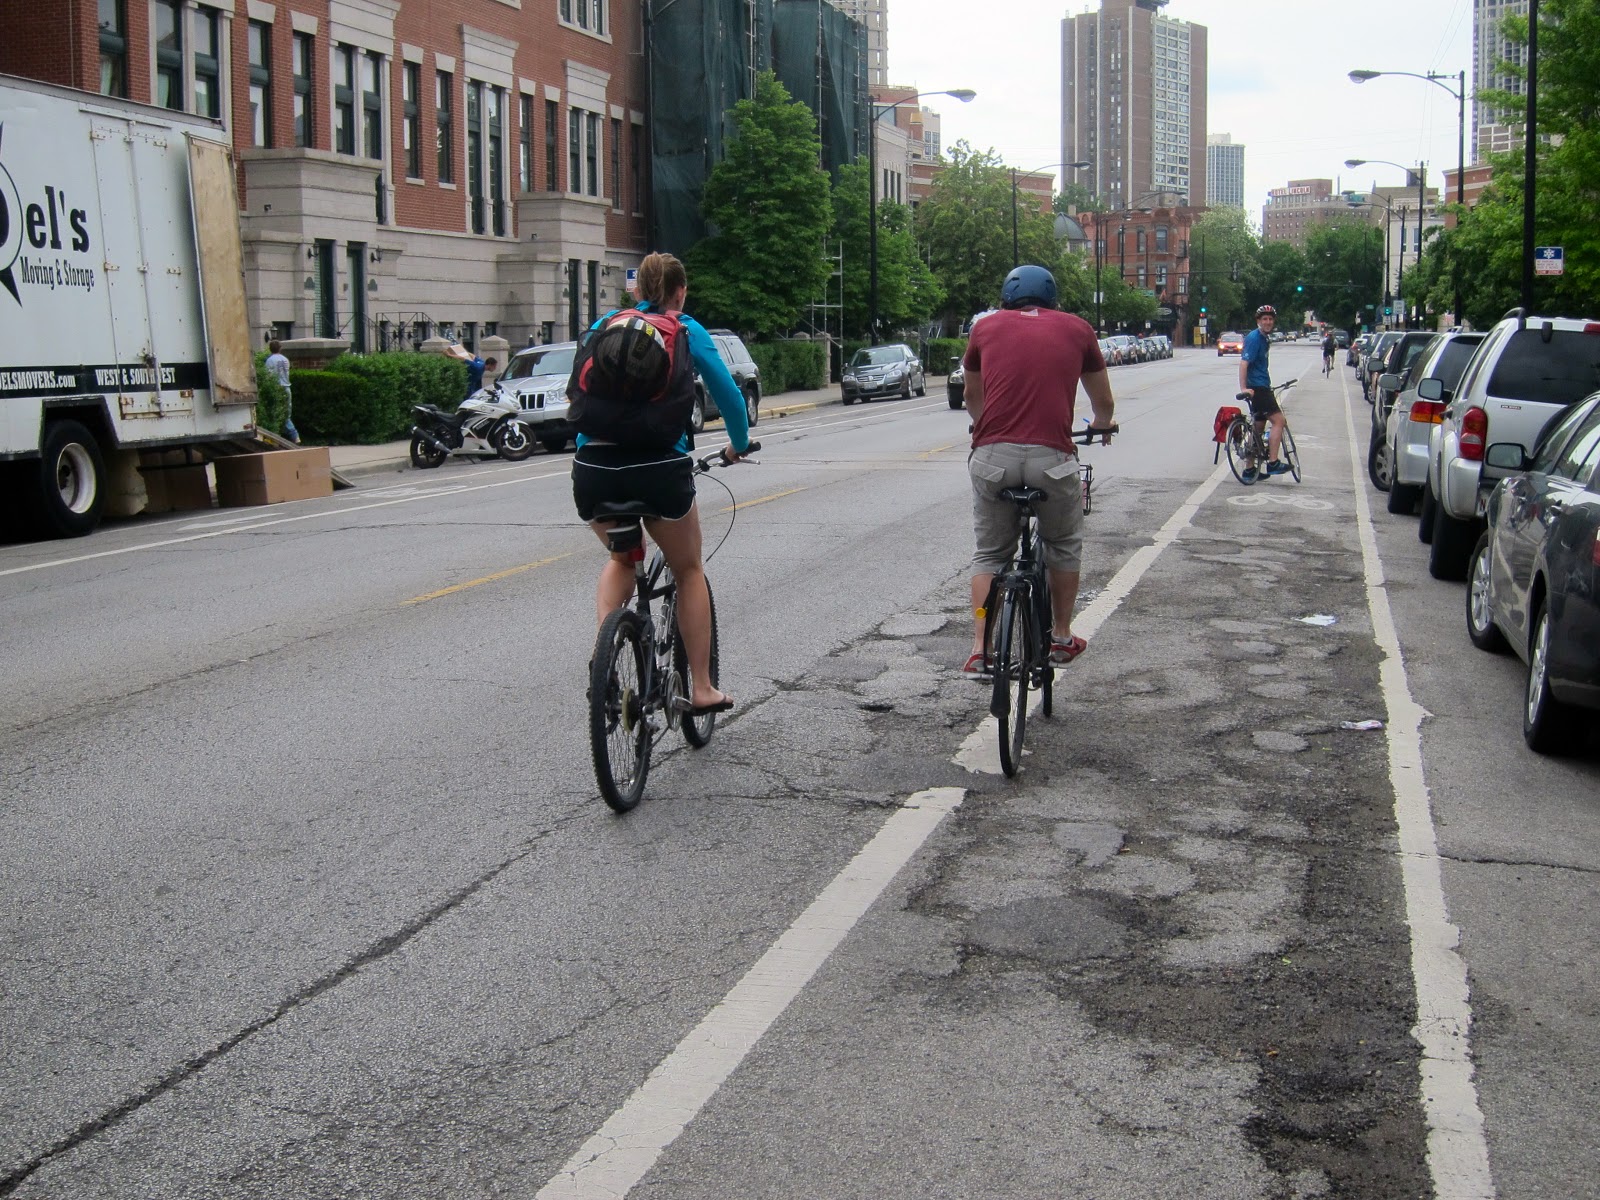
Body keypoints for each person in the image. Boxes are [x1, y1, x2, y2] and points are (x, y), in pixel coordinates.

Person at [572, 251, 753, 714]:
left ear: (635, 291)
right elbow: (730, 396)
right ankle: (702, 688)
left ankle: (605, 661)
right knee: (689, 568)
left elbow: (579, 393)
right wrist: (738, 443)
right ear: (680, 291)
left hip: (595, 469)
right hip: (659, 470)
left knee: (623, 558)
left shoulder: (604, 327)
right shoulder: (687, 329)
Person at [961, 264, 1117, 676]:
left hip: (994, 457)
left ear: (1006, 298)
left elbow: (971, 393)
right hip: (1052, 459)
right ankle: (1061, 636)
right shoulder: (1078, 329)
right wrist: (1102, 426)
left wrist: (983, 427)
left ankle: (980, 648)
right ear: (1052, 299)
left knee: (990, 554)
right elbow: (1103, 400)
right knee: (1062, 545)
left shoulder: (984, 329)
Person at [1237, 304, 1288, 483]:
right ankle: (1273, 462)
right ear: (1258, 321)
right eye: (1264, 319)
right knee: (1279, 421)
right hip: (1257, 388)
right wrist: (1244, 388)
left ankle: (1249, 470)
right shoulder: (1254, 338)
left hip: (1261, 386)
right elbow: (1244, 363)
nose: (1268, 322)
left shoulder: (1263, 338)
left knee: (1258, 428)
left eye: (1270, 319)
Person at [264, 340, 298, 443]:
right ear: (280, 348)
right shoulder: (285, 360)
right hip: (287, 387)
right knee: (287, 414)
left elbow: (268, 376)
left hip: (277, 388)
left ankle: (290, 435)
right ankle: (294, 436)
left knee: (275, 413)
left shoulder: (269, 360)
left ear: (270, 348)